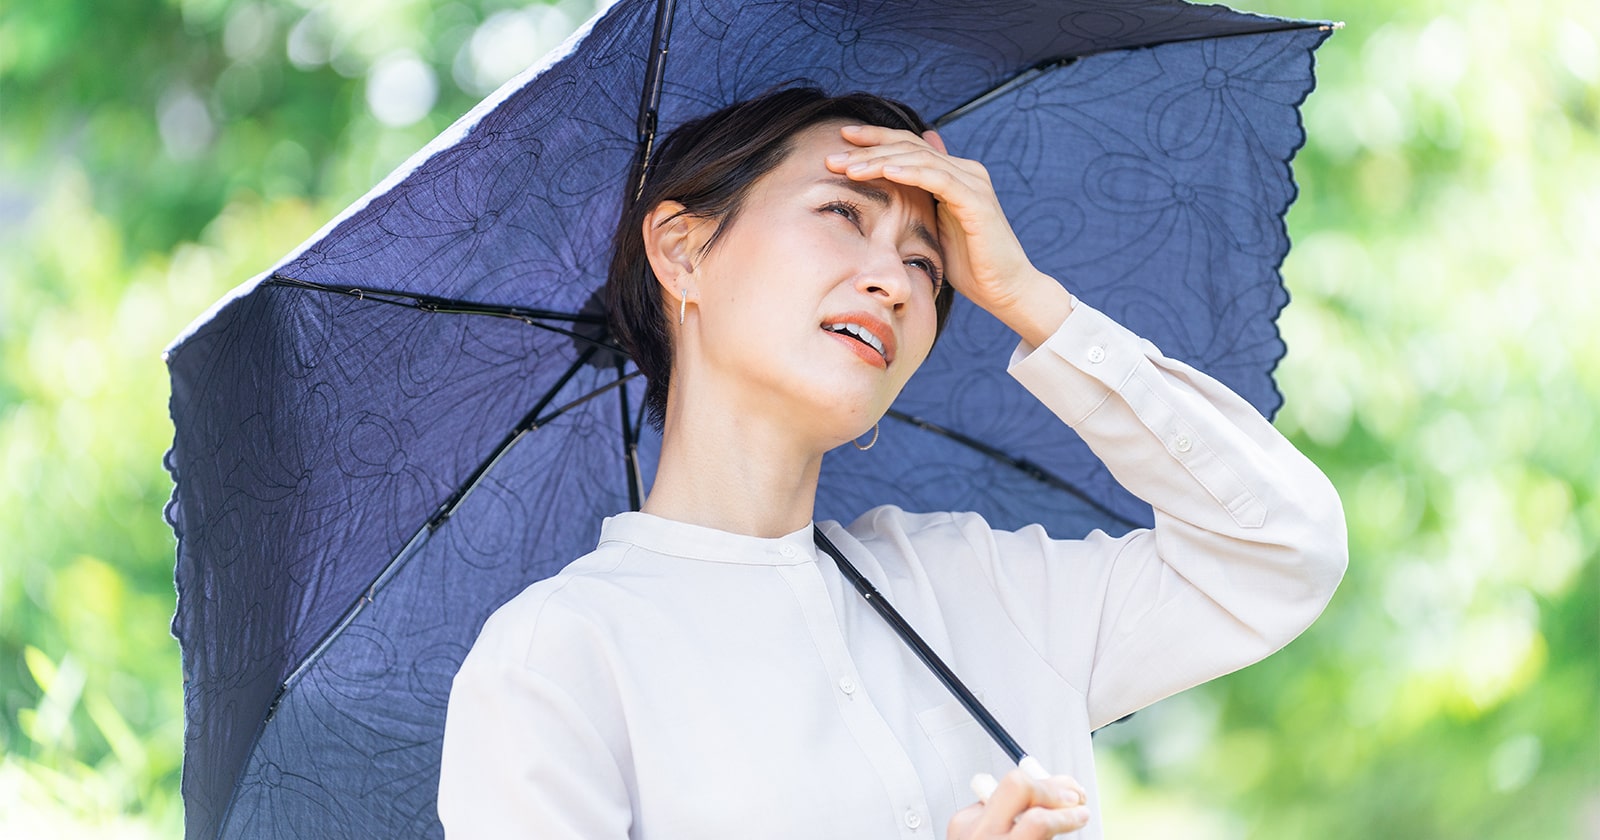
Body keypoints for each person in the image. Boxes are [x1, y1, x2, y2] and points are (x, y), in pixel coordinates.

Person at [438, 87, 1346, 839]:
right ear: (683, 250)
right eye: (842, 213)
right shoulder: (558, 656)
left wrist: (1029, 300)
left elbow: (1278, 554)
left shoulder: (978, 587)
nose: (897, 282)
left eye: (928, 263)